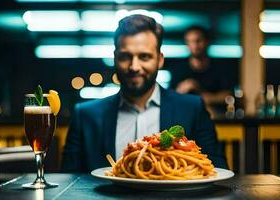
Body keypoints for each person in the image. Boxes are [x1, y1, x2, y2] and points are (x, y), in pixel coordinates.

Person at [61, 15, 227, 172]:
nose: (134, 66)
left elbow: (216, 171)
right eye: (125, 56)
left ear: (160, 60)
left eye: (144, 56)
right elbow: (70, 183)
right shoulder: (85, 115)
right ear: (115, 58)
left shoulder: (193, 109)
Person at [170, 25, 237, 116]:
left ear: (207, 42)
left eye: (198, 41)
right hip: (186, 118)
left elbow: (229, 96)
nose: (195, 45)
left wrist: (200, 92)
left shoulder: (221, 68)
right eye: (190, 41)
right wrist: (180, 90)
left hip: (216, 119)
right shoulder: (179, 69)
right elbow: (170, 98)